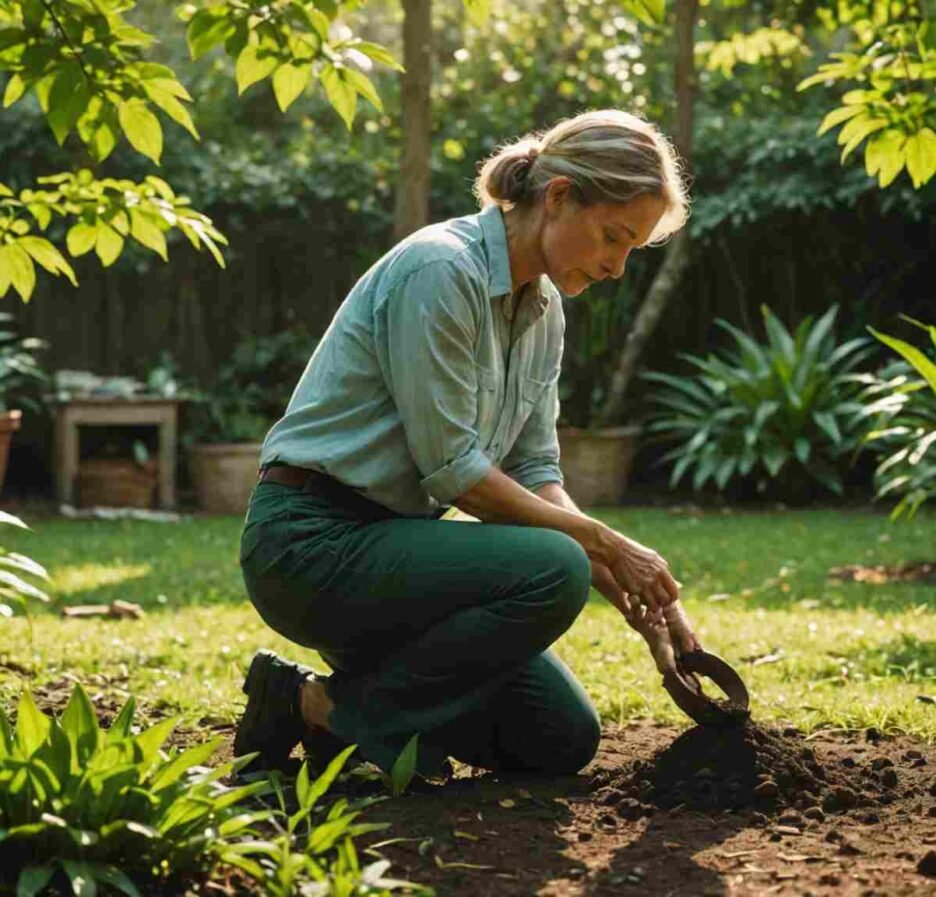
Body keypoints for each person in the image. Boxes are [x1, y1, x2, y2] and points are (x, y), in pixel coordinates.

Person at [234, 109, 693, 781]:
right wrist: (601, 548)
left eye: (632, 249)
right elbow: (456, 473)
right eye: (614, 237)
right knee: (555, 567)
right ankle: (328, 709)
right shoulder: (440, 270)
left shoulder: (543, 310)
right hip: (308, 546)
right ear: (560, 195)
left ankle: (328, 709)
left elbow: (534, 468)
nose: (618, 267)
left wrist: (627, 586)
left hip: (397, 558)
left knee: (559, 736)